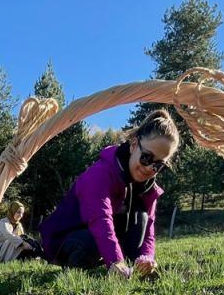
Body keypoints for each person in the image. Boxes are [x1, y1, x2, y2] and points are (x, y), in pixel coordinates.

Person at [39, 109, 180, 278]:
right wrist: (115, 261)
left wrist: (147, 257)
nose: (150, 167)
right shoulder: (100, 173)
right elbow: (100, 219)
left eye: (158, 165)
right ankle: (76, 266)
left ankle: (129, 264)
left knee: (140, 216)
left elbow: (149, 227)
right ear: (134, 145)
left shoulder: (148, 187)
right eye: (147, 157)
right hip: (65, 237)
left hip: (102, 233)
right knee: (91, 244)